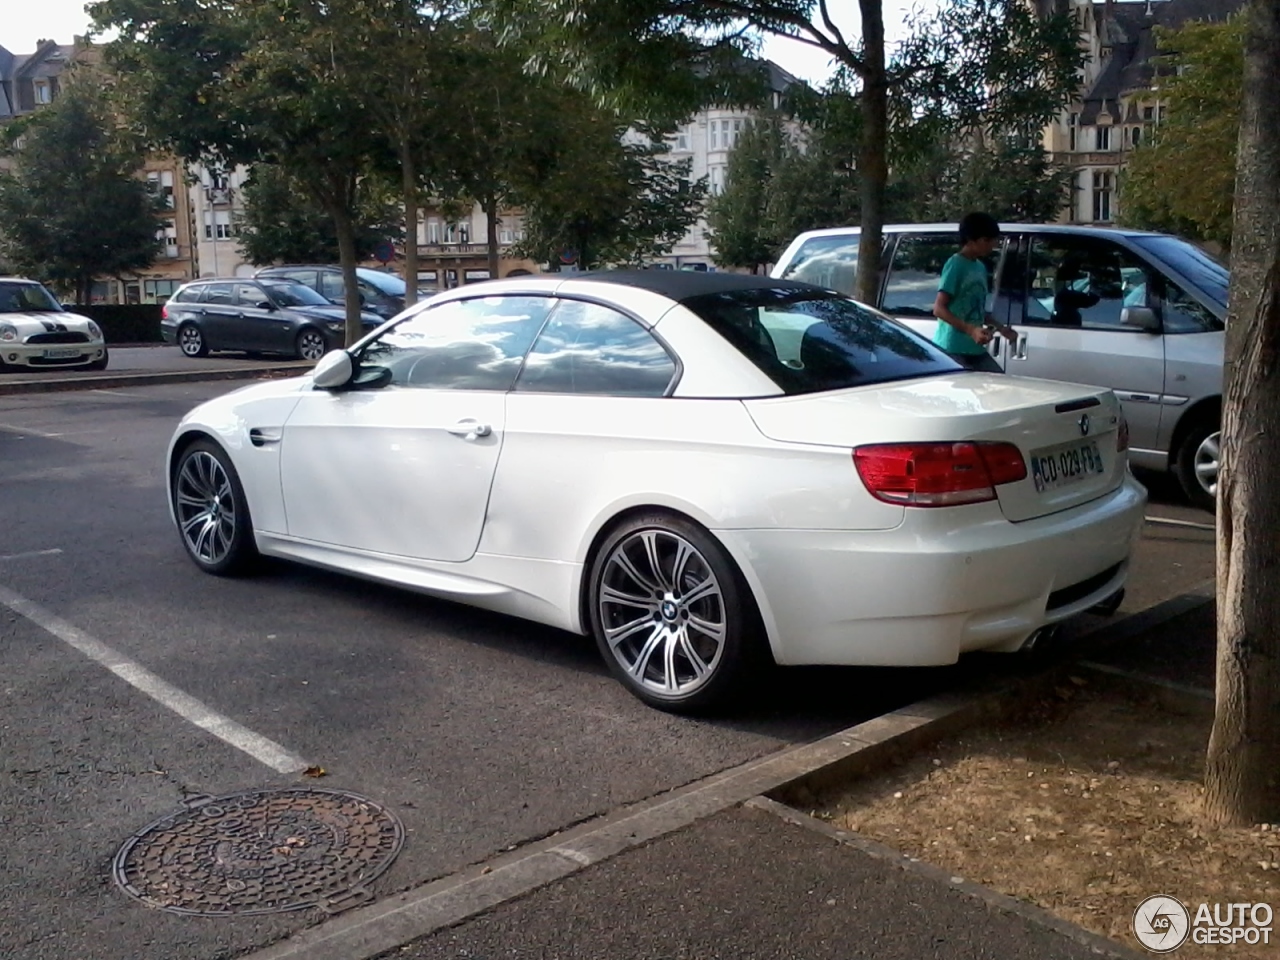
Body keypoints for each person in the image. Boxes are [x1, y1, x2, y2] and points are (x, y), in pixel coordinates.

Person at [932, 212, 1016, 372]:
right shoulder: (955, 264)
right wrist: (971, 330)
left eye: (993, 240)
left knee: (998, 386)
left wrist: (1001, 328)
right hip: (953, 348)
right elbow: (939, 309)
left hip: (974, 348)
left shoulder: (979, 267)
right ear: (970, 240)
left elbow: (976, 308)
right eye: (986, 240)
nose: (992, 244)